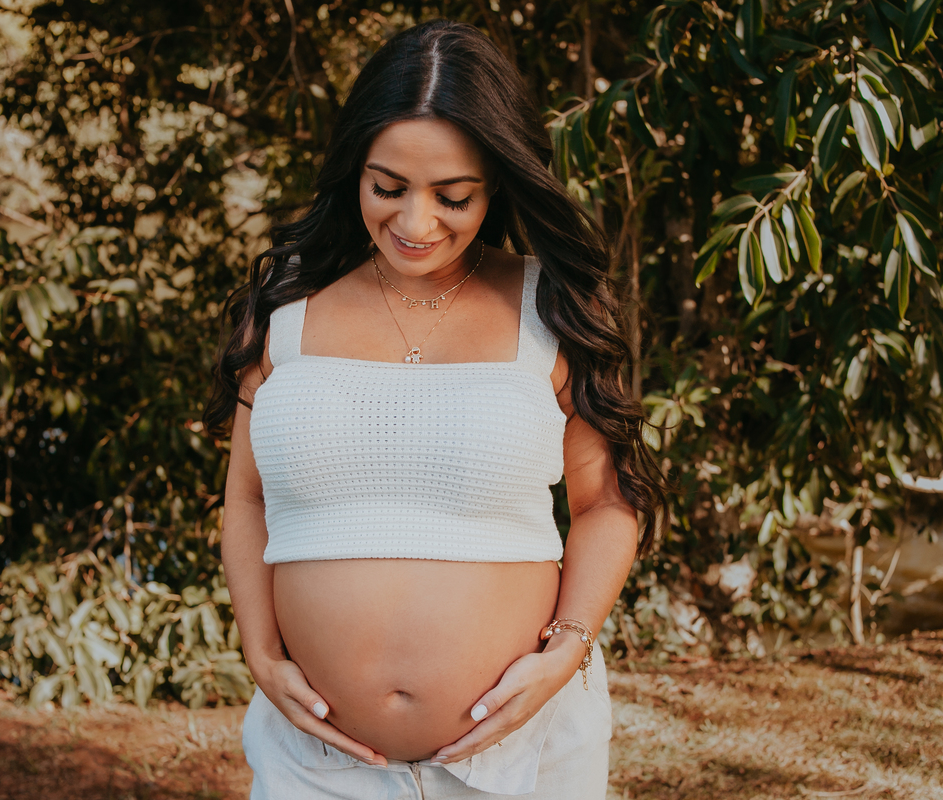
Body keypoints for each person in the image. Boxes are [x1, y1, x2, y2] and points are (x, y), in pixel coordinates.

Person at [205, 18, 669, 800]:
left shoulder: (551, 309)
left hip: (523, 754)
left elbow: (604, 503)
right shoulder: (285, 313)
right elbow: (245, 499)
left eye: (452, 197)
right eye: (387, 188)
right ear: (354, 169)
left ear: (498, 184)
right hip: (313, 762)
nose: (416, 225)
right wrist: (259, 648)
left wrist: (565, 650)